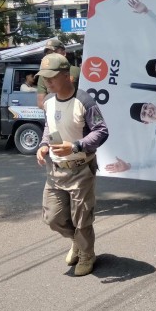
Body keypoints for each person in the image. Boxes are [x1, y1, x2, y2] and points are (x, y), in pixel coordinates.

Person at [35, 53, 109, 276]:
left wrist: (75, 146)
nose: (47, 82)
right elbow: (50, 126)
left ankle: (87, 254)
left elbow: (102, 131)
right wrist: (43, 145)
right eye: (45, 78)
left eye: (52, 77)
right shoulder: (49, 101)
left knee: (82, 219)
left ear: (68, 76)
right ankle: (77, 242)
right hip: (56, 170)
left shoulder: (84, 101)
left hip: (80, 169)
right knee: (53, 218)